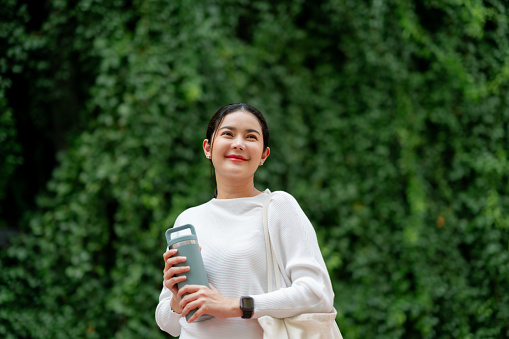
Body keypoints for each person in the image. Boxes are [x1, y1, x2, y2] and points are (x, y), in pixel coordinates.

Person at [155, 103, 336, 338]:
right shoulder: (188, 219)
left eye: (251, 137)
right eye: (228, 134)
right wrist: (178, 299)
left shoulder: (278, 207)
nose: (238, 143)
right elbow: (168, 323)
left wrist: (235, 306)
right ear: (208, 148)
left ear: (263, 155)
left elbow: (317, 293)